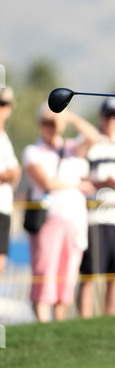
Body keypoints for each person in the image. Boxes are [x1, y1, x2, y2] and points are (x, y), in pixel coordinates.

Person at [22, 103, 99, 322]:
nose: (50, 127)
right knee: (45, 270)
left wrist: (69, 118)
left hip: (74, 219)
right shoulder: (33, 151)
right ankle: (43, 321)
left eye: (53, 122)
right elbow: (46, 182)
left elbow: (93, 137)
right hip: (49, 218)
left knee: (68, 271)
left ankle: (60, 320)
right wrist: (76, 184)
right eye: (46, 122)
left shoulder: (71, 148)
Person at [78, 98, 115, 318]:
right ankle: (85, 318)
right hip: (96, 217)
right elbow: (80, 177)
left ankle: (108, 319)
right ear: (101, 117)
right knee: (89, 274)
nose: (111, 120)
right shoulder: (90, 142)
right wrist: (104, 183)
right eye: (108, 115)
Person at [0, 86, 21, 274]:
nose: (2, 109)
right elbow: (11, 172)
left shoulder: (4, 137)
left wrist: (10, 174)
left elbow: (16, 172)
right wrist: (8, 174)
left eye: (5, 104)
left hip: (4, 208)